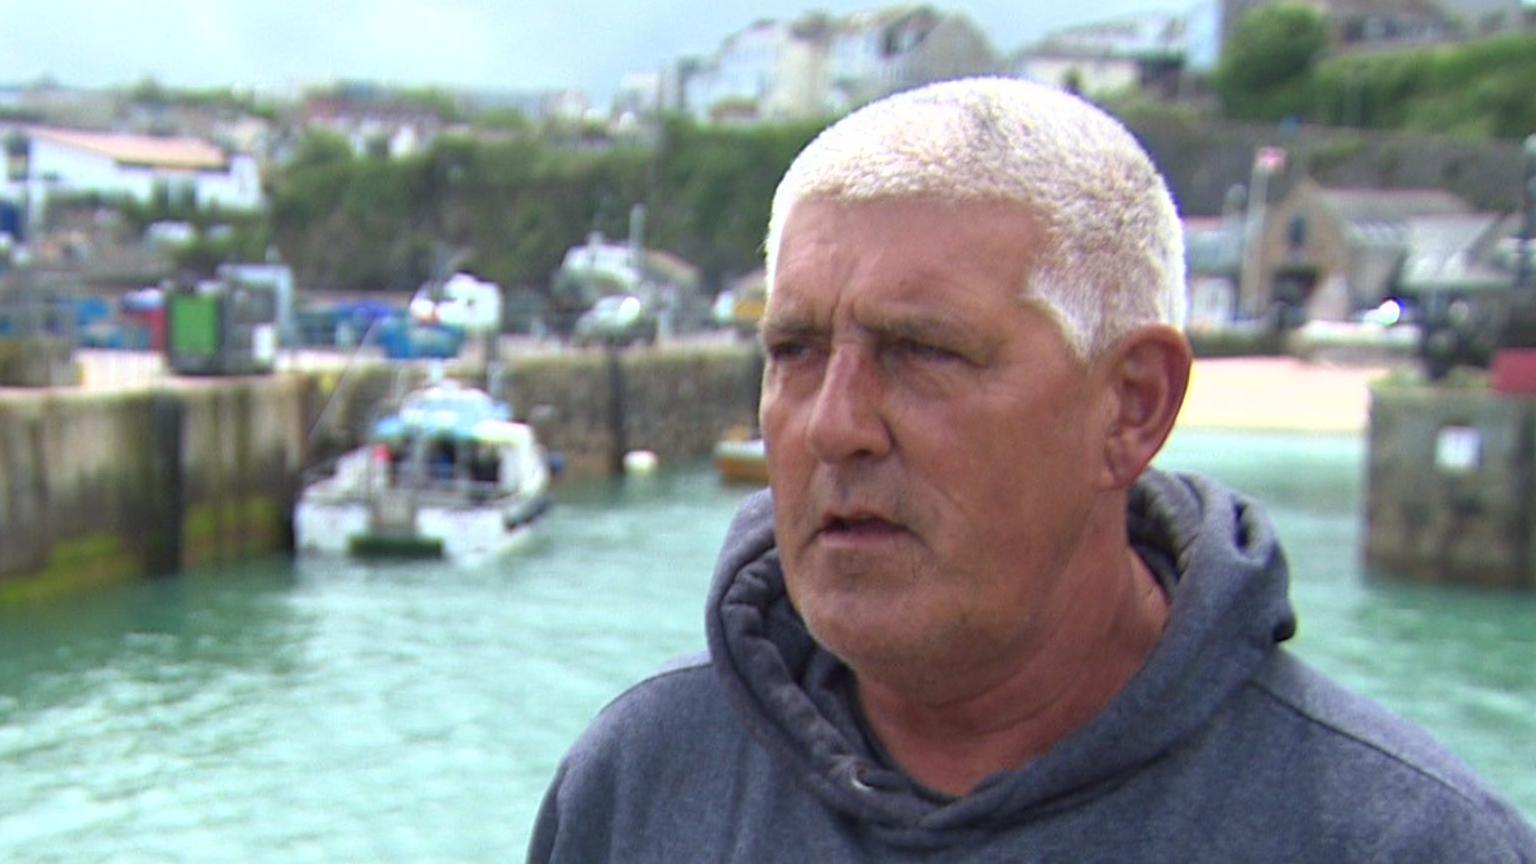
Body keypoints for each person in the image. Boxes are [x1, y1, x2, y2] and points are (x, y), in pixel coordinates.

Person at [529, 78, 1536, 862]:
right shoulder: (640, 785)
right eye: (794, 350)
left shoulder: (1402, 844)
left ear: (1131, 406)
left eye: (923, 352)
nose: (834, 427)